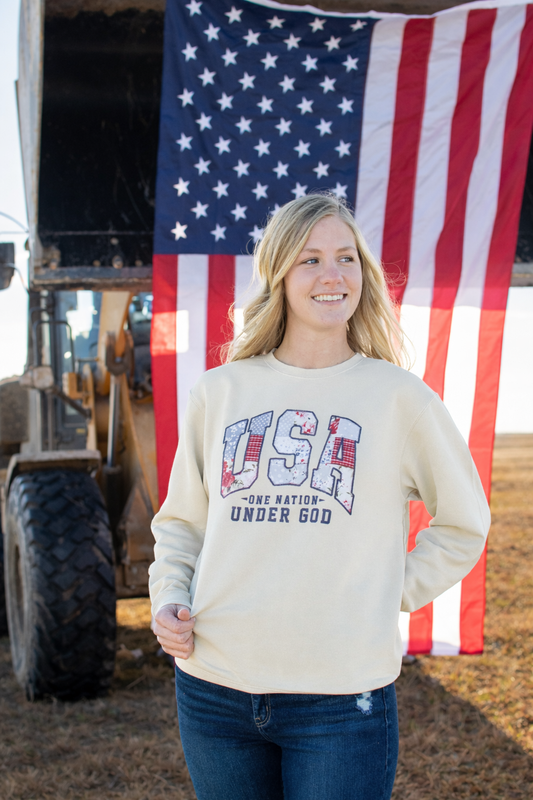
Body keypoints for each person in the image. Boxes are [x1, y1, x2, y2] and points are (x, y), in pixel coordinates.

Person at [150, 193, 490, 800]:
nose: (333, 276)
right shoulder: (221, 392)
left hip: (340, 698)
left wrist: (389, 590)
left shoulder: (398, 399)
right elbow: (182, 525)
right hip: (213, 687)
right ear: (278, 274)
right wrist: (170, 597)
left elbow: (463, 522)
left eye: (347, 258)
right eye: (310, 260)